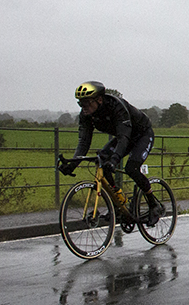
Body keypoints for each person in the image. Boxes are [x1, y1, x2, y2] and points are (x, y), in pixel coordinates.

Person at [60, 81, 162, 225]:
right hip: (124, 137)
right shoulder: (86, 115)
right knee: (102, 161)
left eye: (87, 103)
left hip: (141, 134)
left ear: (99, 100)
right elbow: (84, 143)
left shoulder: (116, 106)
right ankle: (118, 205)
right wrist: (72, 165)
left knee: (131, 168)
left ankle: (154, 205)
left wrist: (114, 159)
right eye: (81, 104)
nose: (84, 108)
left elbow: (124, 137)